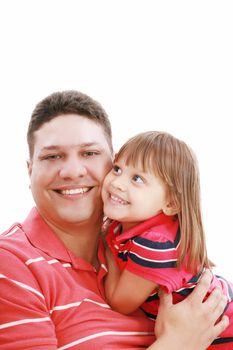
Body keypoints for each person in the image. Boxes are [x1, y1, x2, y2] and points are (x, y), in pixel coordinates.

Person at [0, 91, 229, 350]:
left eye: (89, 153)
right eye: (52, 156)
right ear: (30, 171)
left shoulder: (134, 244)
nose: (73, 171)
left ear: (112, 160)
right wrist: (177, 344)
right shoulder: (10, 264)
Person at [102, 130, 233, 349]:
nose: (117, 183)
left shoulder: (155, 244)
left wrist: (106, 246)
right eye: (117, 169)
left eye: (137, 178)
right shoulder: (130, 223)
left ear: (171, 204)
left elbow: (119, 302)